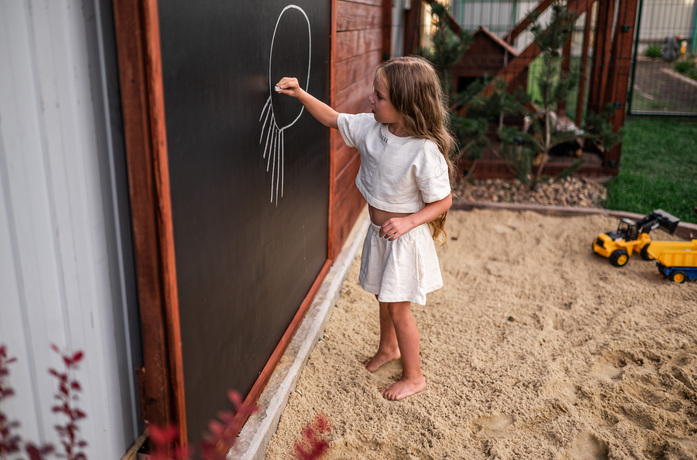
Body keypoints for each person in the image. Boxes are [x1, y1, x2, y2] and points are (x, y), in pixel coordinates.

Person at [276, 56, 454, 401]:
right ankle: (388, 348)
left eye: (380, 96)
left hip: (403, 238)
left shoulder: (423, 150)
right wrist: (299, 93)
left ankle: (415, 376)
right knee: (382, 296)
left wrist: (408, 221)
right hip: (381, 234)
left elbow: (442, 202)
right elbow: (331, 117)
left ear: (406, 105)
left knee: (399, 308)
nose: (370, 99)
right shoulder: (372, 129)